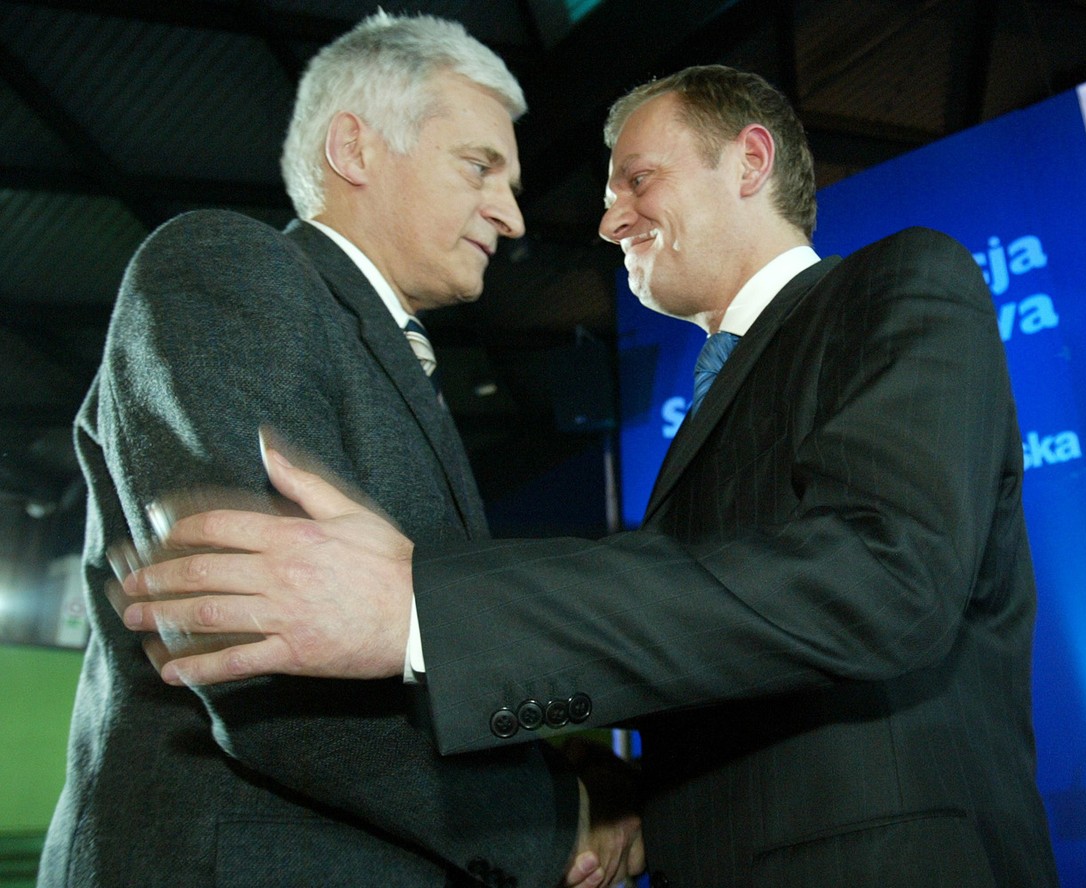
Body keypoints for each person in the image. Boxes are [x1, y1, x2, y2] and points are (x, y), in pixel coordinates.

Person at [119, 65, 1060, 887]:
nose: (608, 222)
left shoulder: (902, 282)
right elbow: (726, 647)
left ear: (749, 161)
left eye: (639, 180)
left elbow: (885, 577)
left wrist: (420, 612)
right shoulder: (712, 405)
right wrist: (595, 792)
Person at [42, 11, 641, 888]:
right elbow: (266, 656)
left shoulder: (373, 346)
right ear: (354, 148)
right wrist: (552, 819)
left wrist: (554, 767)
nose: (512, 216)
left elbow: (398, 655)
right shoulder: (227, 268)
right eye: (480, 166)